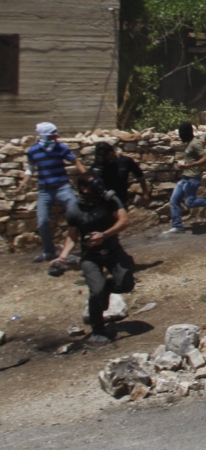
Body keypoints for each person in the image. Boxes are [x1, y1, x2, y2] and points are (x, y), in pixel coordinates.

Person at [53, 172, 134, 344]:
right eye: (94, 186)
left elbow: (125, 221)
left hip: (113, 250)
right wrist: (62, 257)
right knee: (96, 291)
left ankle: (106, 289)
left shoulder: (110, 201)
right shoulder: (75, 210)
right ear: (84, 189)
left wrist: (104, 235)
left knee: (126, 283)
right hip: (91, 257)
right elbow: (73, 236)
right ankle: (98, 329)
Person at [16, 122, 87, 263]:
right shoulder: (33, 151)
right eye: (53, 135)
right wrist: (24, 181)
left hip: (63, 187)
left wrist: (87, 178)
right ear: (45, 136)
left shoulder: (61, 147)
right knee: (42, 222)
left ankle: (85, 249)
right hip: (45, 191)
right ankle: (48, 252)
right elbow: (30, 168)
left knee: (78, 214)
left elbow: (75, 161)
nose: (56, 136)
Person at [163, 123, 206, 235]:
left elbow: (205, 158)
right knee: (174, 200)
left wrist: (189, 166)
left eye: (181, 133)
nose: (180, 136)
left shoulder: (196, 143)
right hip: (185, 178)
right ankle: (177, 226)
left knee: (190, 203)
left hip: (193, 178)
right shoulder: (189, 143)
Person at [91, 142, 150, 208]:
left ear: (111, 153)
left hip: (121, 201)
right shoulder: (99, 164)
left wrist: (145, 193)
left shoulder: (126, 161)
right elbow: (88, 177)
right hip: (103, 202)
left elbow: (140, 176)